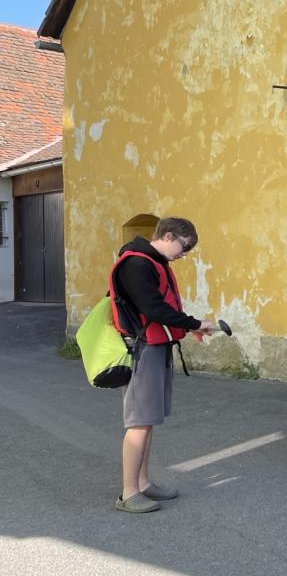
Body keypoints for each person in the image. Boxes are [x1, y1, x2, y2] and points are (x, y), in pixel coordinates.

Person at [111, 217, 218, 513]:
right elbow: (153, 308)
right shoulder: (137, 264)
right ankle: (128, 493)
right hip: (143, 349)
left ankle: (143, 483)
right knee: (138, 423)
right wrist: (194, 323)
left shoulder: (152, 262)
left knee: (147, 421)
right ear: (168, 236)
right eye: (184, 247)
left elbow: (160, 309)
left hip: (155, 346)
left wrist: (188, 327)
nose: (184, 254)